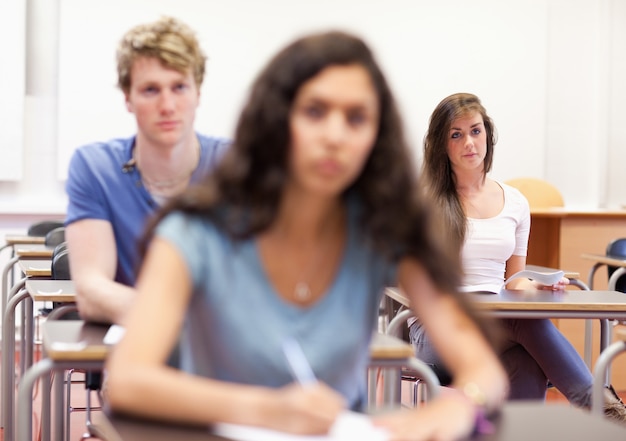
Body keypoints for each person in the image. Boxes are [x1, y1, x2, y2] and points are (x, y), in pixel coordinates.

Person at [105, 32, 508, 440]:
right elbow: (127, 380)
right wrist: (266, 410)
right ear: (276, 121)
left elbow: (484, 370)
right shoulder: (195, 232)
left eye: (356, 118)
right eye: (315, 112)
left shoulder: (381, 228)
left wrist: (461, 404)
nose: (335, 136)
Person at [409, 92, 626, 423]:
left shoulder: (515, 202)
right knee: (522, 321)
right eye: (456, 134)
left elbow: (515, 278)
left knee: (527, 358)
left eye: (476, 131)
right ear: (442, 144)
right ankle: (598, 408)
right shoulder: (425, 203)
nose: (469, 142)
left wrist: (538, 286)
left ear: (488, 135)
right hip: (439, 333)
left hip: (500, 323)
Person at [65, 16, 229, 325]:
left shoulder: (233, 167)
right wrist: (187, 322)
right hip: (138, 348)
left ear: (198, 94)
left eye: (179, 87)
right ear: (128, 98)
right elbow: (91, 291)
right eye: (151, 90)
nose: (167, 106)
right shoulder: (95, 168)